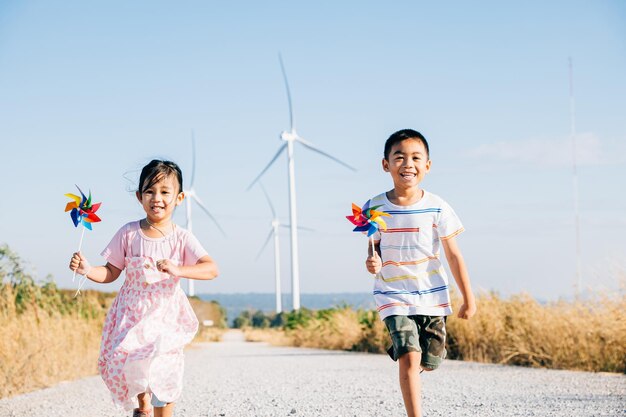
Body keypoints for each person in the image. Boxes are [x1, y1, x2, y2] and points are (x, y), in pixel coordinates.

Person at [69, 160, 219, 417]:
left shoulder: (181, 237)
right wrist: (87, 270)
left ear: (179, 197)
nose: (156, 198)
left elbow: (211, 268)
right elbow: (111, 272)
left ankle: (157, 409)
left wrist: (178, 269)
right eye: (149, 191)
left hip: (166, 314)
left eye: (164, 192)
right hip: (133, 312)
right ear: (139, 197)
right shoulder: (128, 233)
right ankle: (143, 406)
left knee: (165, 367)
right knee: (135, 360)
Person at [364, 129, 476, 417]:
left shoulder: (438, 207)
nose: (407, 164)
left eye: (415, 158)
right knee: (410, 359)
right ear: (385, 164)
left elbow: (453, 254)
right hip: (392, 294)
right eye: (399, 157)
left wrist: (468, 298)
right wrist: (372, 261)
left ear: (427, 165)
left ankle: (410, 352)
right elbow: (373, 248)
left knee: (430, 360)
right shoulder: (374, 207)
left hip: (431, 294)